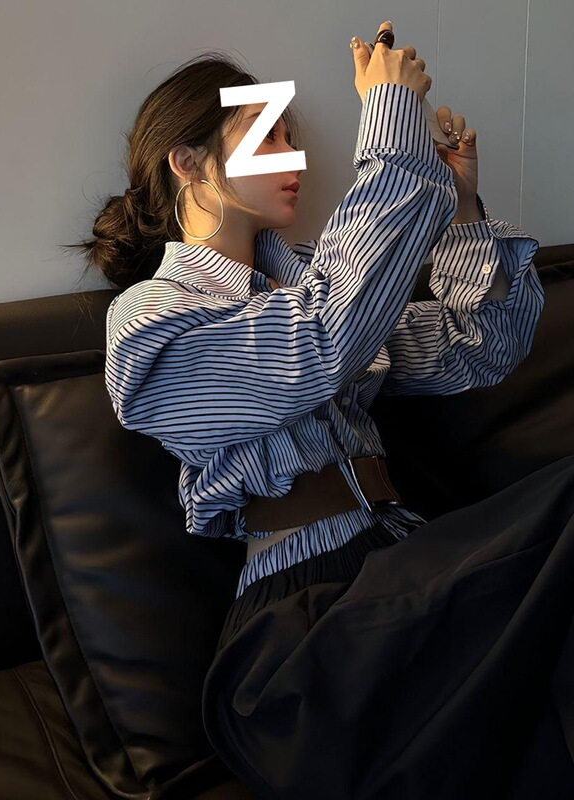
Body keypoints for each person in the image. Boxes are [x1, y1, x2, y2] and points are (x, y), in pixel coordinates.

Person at [67, 20, 574, 799]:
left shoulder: (310, 282)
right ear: (189, 163)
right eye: (269, 138)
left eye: (293, 140)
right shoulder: (150, 319)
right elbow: (321, 341)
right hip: (306, 635)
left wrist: (460, 205)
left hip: (404, 561)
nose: (296, 160)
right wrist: (391, 127)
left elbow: (480, 347)